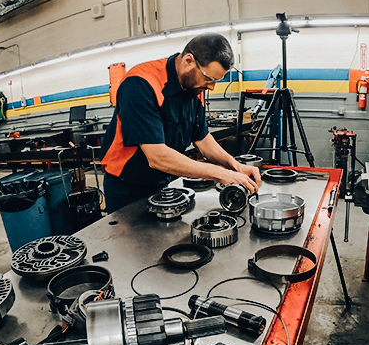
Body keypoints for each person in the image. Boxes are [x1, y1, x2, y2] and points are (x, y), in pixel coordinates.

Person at [99, 33, 261, 213]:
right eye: (209, 78)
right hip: (126, 188)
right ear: (189, 61)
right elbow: (157, 157)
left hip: (161, 183)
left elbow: (202, 139)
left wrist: (235, 166)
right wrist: (222, 174)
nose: (211, 87)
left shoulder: (194, 86)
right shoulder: (140, 83)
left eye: (216, 81)